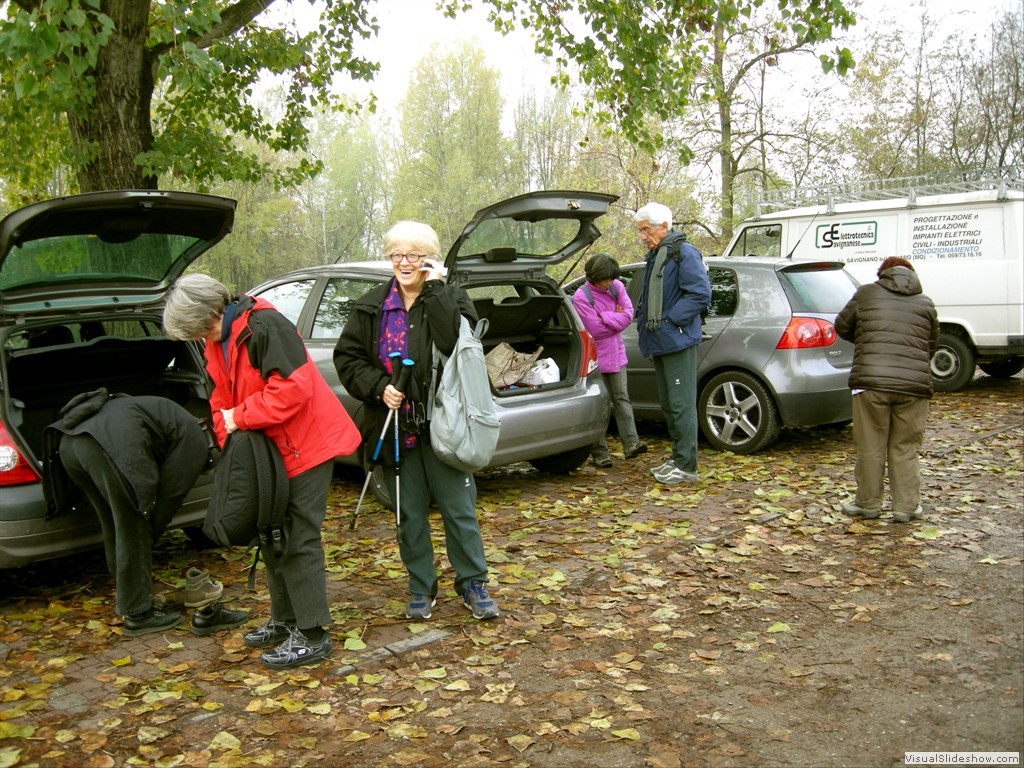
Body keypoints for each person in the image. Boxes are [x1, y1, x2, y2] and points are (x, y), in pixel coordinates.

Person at [163, 274, 361, 669]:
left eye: (203, 327)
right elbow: (221, 397)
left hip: (308, 445)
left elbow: (293, 388)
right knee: (270, 534)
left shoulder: (266, 327)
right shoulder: (215, 338)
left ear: (213, 310)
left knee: (298, 537)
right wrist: (229, 441)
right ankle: (285, 620)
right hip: (267, 450)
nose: (203, 335)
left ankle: (313, 634)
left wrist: (241, 418)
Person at [333, 221, 500, 622]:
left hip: (445, 422)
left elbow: (451, 341)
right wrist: (378, 387)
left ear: (428, 259)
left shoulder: (451, 298)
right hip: (394, 427)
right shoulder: (370, 306)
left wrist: (438, 288)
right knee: (409, 512)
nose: (404, 263)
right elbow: (348, 359)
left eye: (414, 255)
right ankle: (420, 586)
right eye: (397, 255)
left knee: (459, 508)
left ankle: (473, 583)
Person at [43, 392, 248, 637]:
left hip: (71, 445)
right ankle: (139, 614)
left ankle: (134, 597)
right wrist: (148, 534)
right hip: (109, 446)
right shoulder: (195, 441)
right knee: (135, 524)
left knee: (114, 523)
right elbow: (167, 497)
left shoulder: (175, 416)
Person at [835, 257, 939, 523]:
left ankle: (868, 504)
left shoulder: (866, 293)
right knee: (905, 447)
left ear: (883, 274)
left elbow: (842, 326)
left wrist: (866, 340)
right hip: (913, 387)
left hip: (870, 384)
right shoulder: (925, 302)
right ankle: (906, 507)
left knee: (870, 445)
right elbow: (931, 344)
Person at [632, 202, 711, 485]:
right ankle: (678, 458)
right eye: (640, 231)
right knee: (669, 405)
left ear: (664, 227)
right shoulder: (657, 255)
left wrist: (671, 321)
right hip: (660, 341)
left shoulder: (684, 252)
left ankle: (687, 466)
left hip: (676, 340)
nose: (643, 236)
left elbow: (700, 294)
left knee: (681, 405)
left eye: (646, 230)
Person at [572, 252, 647, 467]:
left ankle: (631, 444)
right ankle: (599, 453)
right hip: (594, 358)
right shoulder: (582, 296)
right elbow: (594, 330)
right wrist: (614, 318)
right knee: (599, 405)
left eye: (611, 278)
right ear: (594, 277)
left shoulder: (617, 287)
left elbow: (628, 315)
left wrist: (604, 316)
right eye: (605, 279)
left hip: (616, 354)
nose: (608, 283)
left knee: (622, 398)